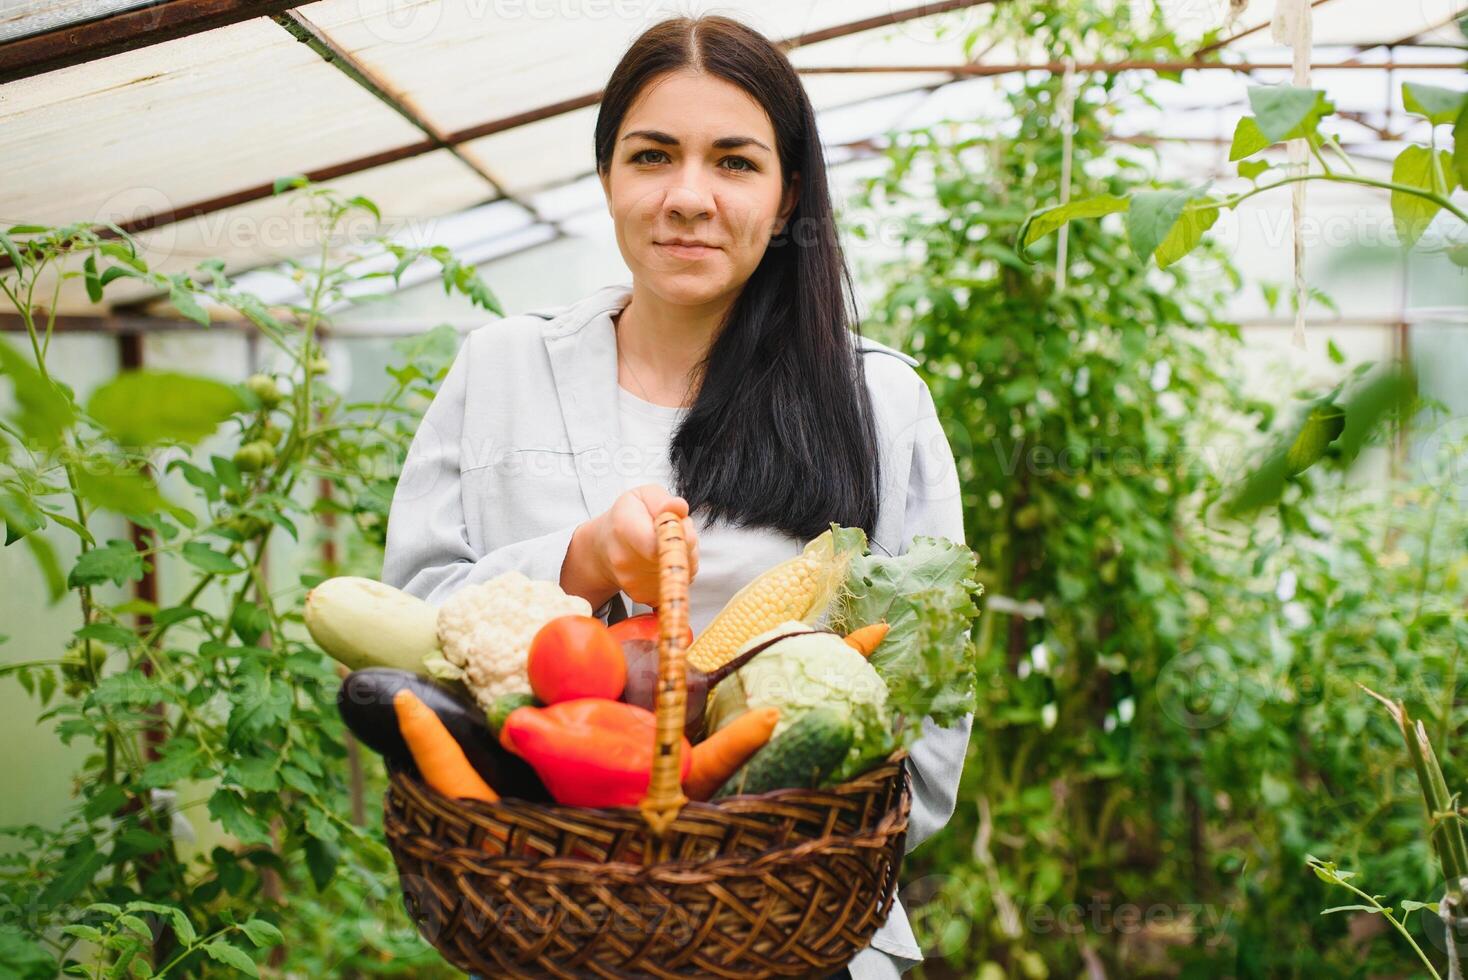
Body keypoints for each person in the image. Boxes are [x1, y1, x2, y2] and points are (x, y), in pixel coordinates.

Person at [380, 14, 972, 979]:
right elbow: (406, 638)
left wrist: (753, 874)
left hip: (792, 936)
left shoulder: (879, 402)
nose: (688, 197)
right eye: (652, 155)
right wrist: (578, 563)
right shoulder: (500, 372)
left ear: (787, 201)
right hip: (546, 924)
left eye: (735, 163)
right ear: (608, 177)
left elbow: (930, 701)